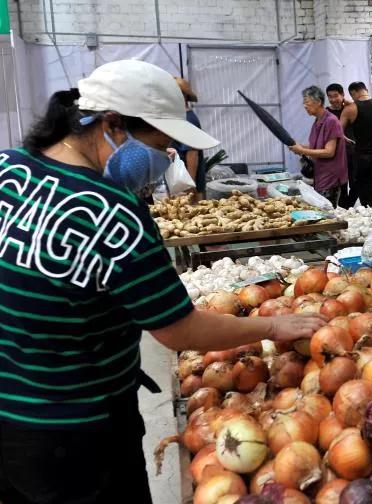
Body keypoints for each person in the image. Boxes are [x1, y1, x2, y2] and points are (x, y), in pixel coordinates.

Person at [0, 59, 326, 504]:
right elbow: (178, 330)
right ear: (112, 124)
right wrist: (272, 326)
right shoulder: (113, 213)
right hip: (77, 431)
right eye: (160, 144)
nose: (165, 157)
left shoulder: (7, 168)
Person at [289, 86, 348, 207]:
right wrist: (300, 147)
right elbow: (315, 146)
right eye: (304, 103)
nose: (305, 106)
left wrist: (303, 150)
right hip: (320, 174)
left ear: (319, 102)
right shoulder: (317, 121)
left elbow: (329, 151)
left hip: (330, 176)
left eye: (307, 102)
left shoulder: (331, 121)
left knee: (327, 212)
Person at [340, 81, 372, 207]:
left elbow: (337, 131)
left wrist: (345, 138)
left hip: (361, 157)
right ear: (365, 90)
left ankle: (369, 219)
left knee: (366, 199)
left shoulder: (349, 109)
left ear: (353, 93)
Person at [172, 77, 207, 198]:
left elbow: (192, 155)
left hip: (187, 187)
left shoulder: (188, 120)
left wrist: (189, 185)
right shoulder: (181, 118)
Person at [326, 83, 356, 208]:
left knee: (356, 183)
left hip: (352, 152)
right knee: (342, 186)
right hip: (337, 155)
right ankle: (344, 209)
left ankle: (348, 206)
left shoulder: (350, 108)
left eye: (336, 96)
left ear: (342, 95)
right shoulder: (326, 113)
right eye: (330, 96)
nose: (333, 99)